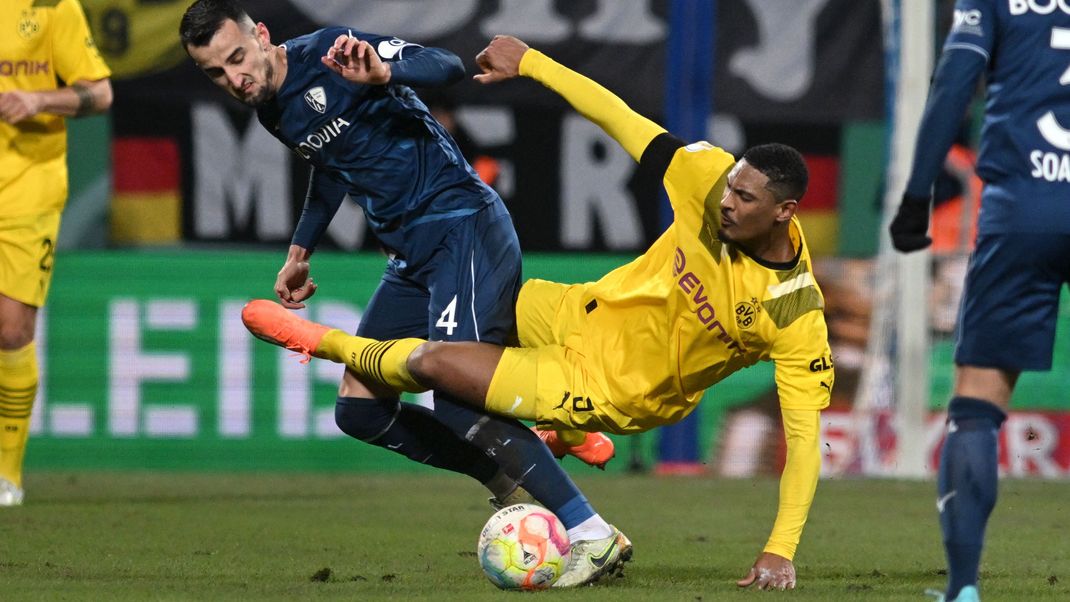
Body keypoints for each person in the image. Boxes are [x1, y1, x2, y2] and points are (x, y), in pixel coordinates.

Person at [242, 34, 835, 591]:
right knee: (424, 337)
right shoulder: (707, 181)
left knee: (439, 367)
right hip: (577, 314)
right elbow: (622, 119)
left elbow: (805, 439)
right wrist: (532, 62)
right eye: (730, 188)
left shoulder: (794, 314)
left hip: (612, 385)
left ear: (785, 212)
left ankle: (321, 342)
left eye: (745, 199)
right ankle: (562, 437)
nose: (726, 203)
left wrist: (780, 548)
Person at [179, 1, 628, 587]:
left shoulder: (334, 51)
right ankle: (508, 483)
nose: (234, 79)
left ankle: (591, 533)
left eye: (237, 58)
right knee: (359, 410)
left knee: (460, 401)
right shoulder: (271, 108)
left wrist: (385, 73)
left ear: (261, 36)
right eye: (216, 73)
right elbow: (331, 163)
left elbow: (446, 66)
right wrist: (300, 250)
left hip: (461, 227)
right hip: (410, 258)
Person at [889, 2, 1070, 601]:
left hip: (1024, 209)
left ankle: (964, 589)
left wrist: (918, 196)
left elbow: (954, 84)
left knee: (977, 404)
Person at [0, 0, 113, 507]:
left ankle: (6, 475)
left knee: (10, 329)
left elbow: (99, 92)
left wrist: (38, 99)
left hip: (26, 185)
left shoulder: (51, 7)